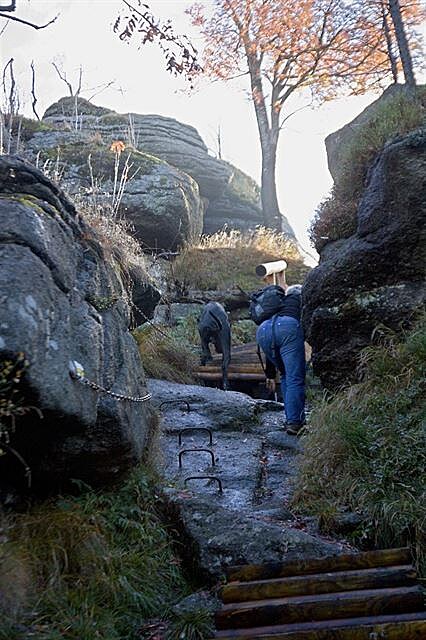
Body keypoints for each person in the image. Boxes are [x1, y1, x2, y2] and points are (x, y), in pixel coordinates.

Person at [256, 279, 306, 435]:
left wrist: (270, 375)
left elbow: (271, 357)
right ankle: (295, 422)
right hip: (288, 328)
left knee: (285, 375)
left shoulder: (278, 304)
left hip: (263, 330)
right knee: (294, 378)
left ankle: (291, 419)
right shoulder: (301, 300)